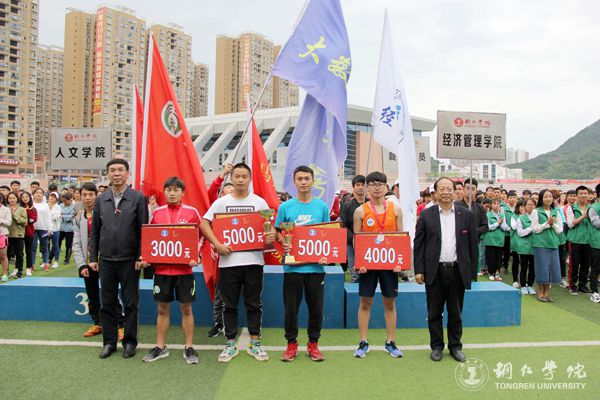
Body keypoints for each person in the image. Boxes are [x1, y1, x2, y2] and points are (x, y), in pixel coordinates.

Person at [200, 163, 274, 363]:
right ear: (231, 178)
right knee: (229, 305)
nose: (240, 180)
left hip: (254, 262)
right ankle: (230, 344)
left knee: (254, 303)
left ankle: (255, 343)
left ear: (250, 179)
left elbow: (270, 227)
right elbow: (204, 223)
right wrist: (217, 244)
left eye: (244, 176)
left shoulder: (259, 202)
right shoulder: (221, 203)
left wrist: (271, 234)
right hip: (228, 263)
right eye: (237, 176)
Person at [89, 159, 148, 359]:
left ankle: (130, 342)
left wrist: (141, 255)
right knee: (107, 303)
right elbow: (95, 231)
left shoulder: (138, 198)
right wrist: (93, 257)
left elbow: (143, 230)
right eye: (112, 170)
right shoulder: (101, 199)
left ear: (127, 173)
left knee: (131, 303)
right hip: (106, 260)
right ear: (107, 174)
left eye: (120, 170)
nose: (116, 173)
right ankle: (109, 342)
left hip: (130, 260)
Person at [414, 177, 478, 362]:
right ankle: (436, 346)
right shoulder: (427, 215)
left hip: (457, 270)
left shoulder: (466, 215)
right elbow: (419, 244)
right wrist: (419, 269)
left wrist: (472, 273)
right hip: (435, 271)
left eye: (449, 189)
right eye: (442, 189)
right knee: (434, 313)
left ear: (456, 191)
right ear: (435, 192)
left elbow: (473, 246)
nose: (446, 192)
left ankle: (455, 346)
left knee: (455, 312)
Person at [142, 177, 202, 365]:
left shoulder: (192, 212)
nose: (172, 193)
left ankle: (189, 347)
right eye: (168, 190)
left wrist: (196, 254)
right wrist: (147, 256)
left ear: (182, 192)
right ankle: (160, 346)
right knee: (162, 309)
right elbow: (151, 237)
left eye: (176, 190)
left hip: (184, 271)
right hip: (161, 271)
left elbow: (201, 236)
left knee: (186, 309)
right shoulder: (157, 213)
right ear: (165, 192)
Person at [275, 166, 330, 362]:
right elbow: (277, 230)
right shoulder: (285, 207)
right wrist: (282, 241)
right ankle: (291, 344)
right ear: (294, 182)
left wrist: (326, 255)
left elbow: (328, 234)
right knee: (291, 309)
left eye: (307, 178)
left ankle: (313, 343)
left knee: (316, 309)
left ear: (313, 181)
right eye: (300, 179)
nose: (304, 182)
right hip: (292, 267)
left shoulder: (322, 207)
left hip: (316, 268)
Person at [352, 171, 404, 358]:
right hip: (368, 264)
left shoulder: (396, 209)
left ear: (386, 187)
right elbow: (356, 240)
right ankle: (363, 342)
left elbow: (400, 239)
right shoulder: (360, 211)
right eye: (373, 184)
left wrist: (399, 262)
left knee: (389, 303)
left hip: (389, 264)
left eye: (380, 184)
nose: (376, 187)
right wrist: (359, 262)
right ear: (368, 188)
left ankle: (390, 342)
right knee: (365, 302)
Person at [73, 183, 125, 340]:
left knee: (111, 293)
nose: (87, 198)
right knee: (92, 294)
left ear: (97, 196)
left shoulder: (105, 215)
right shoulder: (79, 219)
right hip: (88, 263)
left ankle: (121, 324)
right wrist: (82, 264)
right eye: (84, 195)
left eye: (91, 194)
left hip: (105, 261)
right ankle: (97, 323)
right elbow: (76, 244)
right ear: (80, 197)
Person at [531, 189, 563, 302]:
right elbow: (535, 228)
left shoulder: (556, 212)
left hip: (553, 243)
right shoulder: (536, 211)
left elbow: (559, 230)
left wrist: (552, 224)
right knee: (542, 268)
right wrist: (546, 224)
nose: (548, 199)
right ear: (541, 199)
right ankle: (540, 294)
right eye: (546, 197)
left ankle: (546, 293)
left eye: (550, 197)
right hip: (541, 243)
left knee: (550, 269)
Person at [456, 178, 488, 275]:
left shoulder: (480, 208)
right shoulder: (456, 206)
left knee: (474, 268)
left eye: (473, 189)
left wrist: (473, 232)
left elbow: (485, 226)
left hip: (475, 242)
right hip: (459, 242)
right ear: (463, 189)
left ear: (476, 191)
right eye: (468, 188)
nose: (470, 191)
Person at [340, 174, 367, 283]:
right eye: (358, 185)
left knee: (369, 273)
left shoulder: (371, 204)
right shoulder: (347, 205)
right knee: (355, 273)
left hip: (369, 243)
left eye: (363, 185)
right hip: (351, 244)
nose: (360, 187)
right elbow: (343, 224)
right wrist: (353, 239)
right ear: (353, 187)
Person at [565, 186, 592, 295]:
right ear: (577, 196)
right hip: (575, 240)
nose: (584, 196)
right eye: (581, 194)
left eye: (585, 193)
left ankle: (582, 285)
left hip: (588, 240)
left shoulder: (591, 208)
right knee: (574, 264)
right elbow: (570, 224)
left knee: (585, 264)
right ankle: (572, 285)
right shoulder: (571, 208)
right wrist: (583, 217)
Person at [484, 199, 510, 281]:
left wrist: (501, 224)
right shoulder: (487, 215)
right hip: (490, 239)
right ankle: (491, 273)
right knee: (491, 257)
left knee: (498, 257)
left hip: (499, 239)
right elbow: (488, 227)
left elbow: (505, 227)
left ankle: (497, 273)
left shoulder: (501, 215)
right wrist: (497, 223)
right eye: (494, 203)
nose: (496, 205)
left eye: (497, 204)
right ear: (491, 205)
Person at [516, 198, 536, 295]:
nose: (530, 207)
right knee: (523, 267)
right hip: (524, 246)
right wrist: (531, 228)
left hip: (535, 245)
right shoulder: (521, 218)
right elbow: (520, 233)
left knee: (533, 267)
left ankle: (530, 284)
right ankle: (523, 285)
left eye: (532, 205)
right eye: (528, 205)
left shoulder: (537, 218)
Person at [7, 192, 26, 279]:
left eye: (13, 198)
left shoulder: (22, 209)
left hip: (18, 234)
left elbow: (24, 221)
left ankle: (19, 270)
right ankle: (6, 271)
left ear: (17, 199)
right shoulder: (5, 209)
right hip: (7, 234)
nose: (12, 200)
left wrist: (14, 214)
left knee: (19, 253)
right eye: (10, 198)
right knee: (6, 254)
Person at [32, 188, 52, 271]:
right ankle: (31, 265)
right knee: (33, 247)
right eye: (37, 193)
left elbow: (48, 218)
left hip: (43, 228)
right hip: (33, 229)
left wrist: (50, 229)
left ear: (43, 195)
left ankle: (46, 263)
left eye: (40, 193)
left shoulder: (45, 206)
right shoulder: (31, 205)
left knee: (44, 247)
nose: (38, 194)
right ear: (34, 194)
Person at [588, 183, 600, 303]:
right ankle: (594, 292)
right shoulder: (594, 208)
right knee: (595, 267)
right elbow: (596, 224)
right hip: (597, 243)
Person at [20, 191, 37, 276]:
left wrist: (29, 211)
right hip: (19, 232)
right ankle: (19, 268)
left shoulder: (33, 209)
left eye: (26, 197)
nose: (25, 199)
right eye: (23, 197)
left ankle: (29, 267)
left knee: (29, 250)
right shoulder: (19, 208)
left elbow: (32, 220)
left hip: (29, 232)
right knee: (19, 251)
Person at [59, 193, 75, 264]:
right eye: (63, 201)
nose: (64, 202)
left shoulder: (73, 207)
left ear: (70, 199)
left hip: (69, 228)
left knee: (68, 244)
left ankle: (67, 258)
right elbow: (57, 214)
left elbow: (72, 216)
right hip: (61, 227)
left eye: (65, 201)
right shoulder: (60, 206)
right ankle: (51, 257)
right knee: (57, 243)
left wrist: (63, 216)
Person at [47, 192, 62, 269]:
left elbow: (55, 217)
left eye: (54, 197)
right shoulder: (45, 206)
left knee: (55, 245)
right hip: (46, 229)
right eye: (50, 196)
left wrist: (50, 211)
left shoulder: (58, 207)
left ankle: (56, 261)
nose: (51, 198)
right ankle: (46, 260)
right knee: (46, 245)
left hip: (55, 229)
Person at [0, 194, 11, 281]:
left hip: (2, 234)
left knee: (3, 255)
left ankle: (4, 274)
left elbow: (9, 222)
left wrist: (0, 221)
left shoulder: (6, 210)